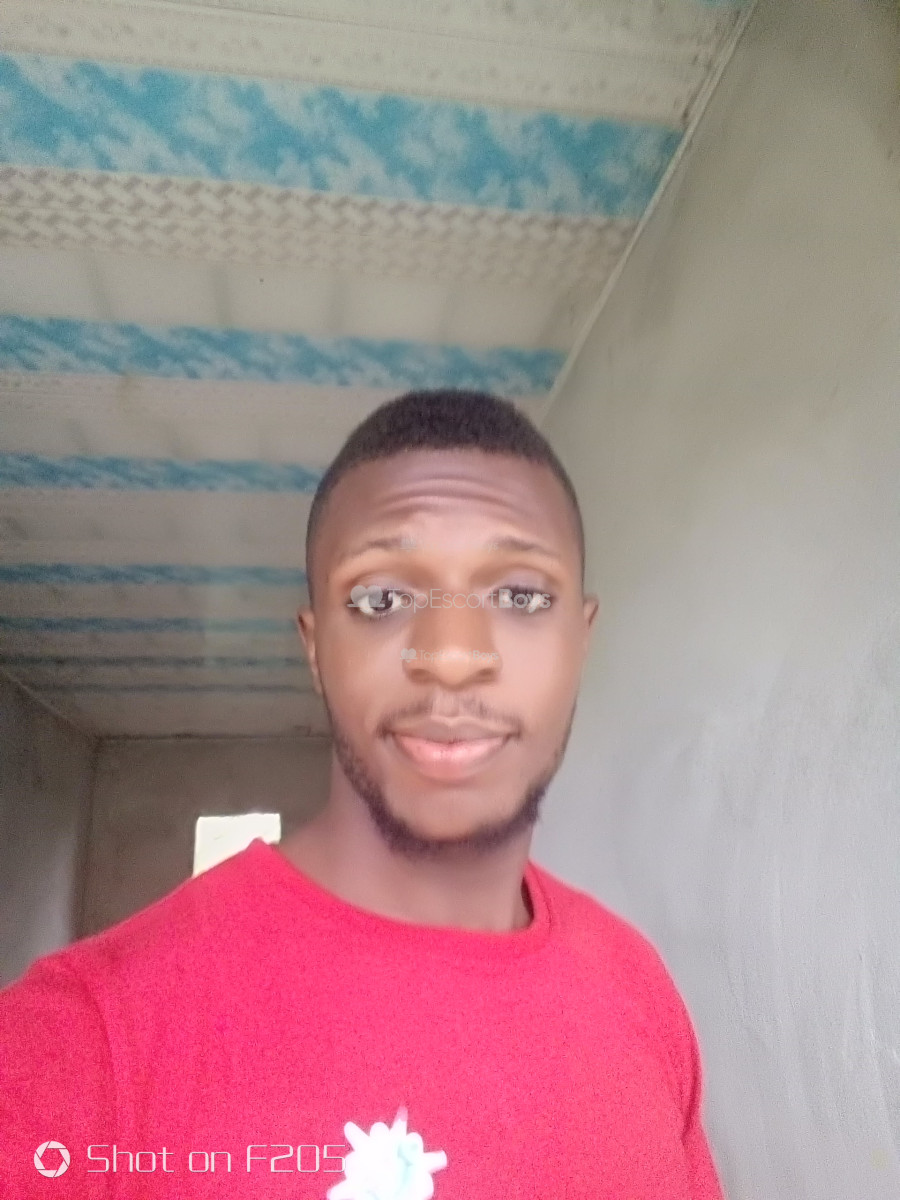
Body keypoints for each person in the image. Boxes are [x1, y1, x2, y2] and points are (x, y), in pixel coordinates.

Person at [0, 389, 725, 1199]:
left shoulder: (637, 986)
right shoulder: (86, 1043)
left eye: (520, 595)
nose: (452, 656)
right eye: (382, 599)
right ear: (317, 652)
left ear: (581, 640)